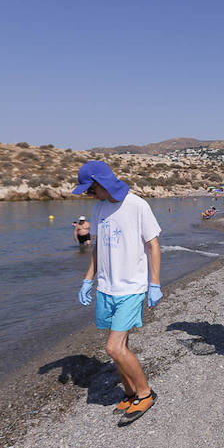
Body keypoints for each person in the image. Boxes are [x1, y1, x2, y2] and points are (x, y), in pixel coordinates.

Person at [73, 161, 162, 427]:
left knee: (112, 348)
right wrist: (88, 280)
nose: (90, 195)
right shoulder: (98, 207)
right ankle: (129, 392)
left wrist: (154, 283)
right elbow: (98, 248)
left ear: (102, 183)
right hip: (107, 288)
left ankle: (145, 394)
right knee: (120, 348)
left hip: (131, 287)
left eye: (91, 189)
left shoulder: (137, 205)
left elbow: (153, 245)